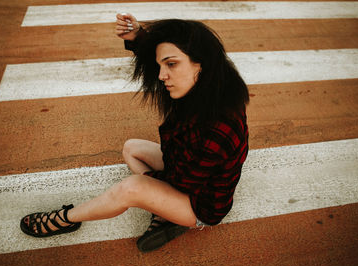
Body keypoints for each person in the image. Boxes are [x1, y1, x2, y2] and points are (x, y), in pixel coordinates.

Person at [20, 13, 249, 252]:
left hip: (200, 205)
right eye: (162, 65)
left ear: (201, 64)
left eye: (171, 65)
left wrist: (143, 190)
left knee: (131, 188)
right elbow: (161, 56)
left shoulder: (219, 128)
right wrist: (138, 36)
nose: (161, 76)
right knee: (131, 148)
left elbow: (182, 184)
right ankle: (165, 213)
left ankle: (66, 219)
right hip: (184, 167)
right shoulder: (209, 86)